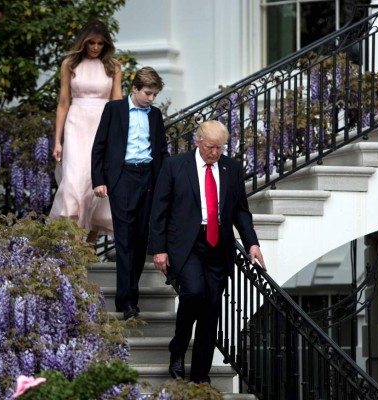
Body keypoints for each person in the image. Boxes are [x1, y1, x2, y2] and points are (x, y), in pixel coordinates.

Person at [147, 120, 266, 384]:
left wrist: (252, 244)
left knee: (211, 308)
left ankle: (200, 374)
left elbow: (240, 211)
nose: (215, 152)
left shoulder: (231, 168)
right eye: (211, 147)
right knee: (193, 292)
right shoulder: (175, 165)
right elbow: (160, 210)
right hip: (186, 243)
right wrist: (159, 249)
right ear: (198, 141)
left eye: (220, 148)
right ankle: (178, 348)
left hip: (218, 244)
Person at [91, 66, 169, 320]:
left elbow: (161, 150)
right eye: (148, 93)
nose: (151, 98)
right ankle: (127, 302)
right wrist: (99, 180)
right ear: (134, 88)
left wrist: (167, 180)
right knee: (124, 240)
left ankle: (128, 297)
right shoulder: (114, 109)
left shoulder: (155, 115)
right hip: (122, 177)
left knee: (139, 240)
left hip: (148, 177)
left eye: (155, 94)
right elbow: (99, 146)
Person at [49, 19, 122, 243]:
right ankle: (73, 251)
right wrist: (57, 141)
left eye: (100, 43)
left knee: (96, 184)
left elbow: (117, 103)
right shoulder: (69, 64)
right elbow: (63, 103)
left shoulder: (114, 66)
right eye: (91, 42)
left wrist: (118, 139)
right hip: (76, 124)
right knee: (73, 182)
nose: (95, 48)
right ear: (83, 41)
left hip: (103, 126)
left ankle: (88, 250)